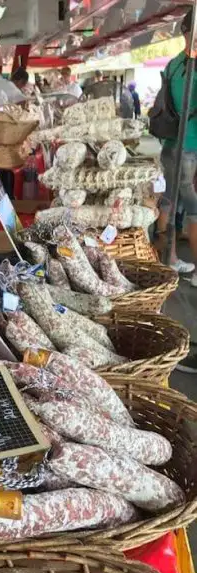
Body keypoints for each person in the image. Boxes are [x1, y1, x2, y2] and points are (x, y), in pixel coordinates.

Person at [156, 7, 197, 373]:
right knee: (194, 207)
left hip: (172, 144)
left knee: (169, 200)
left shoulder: (173, 66)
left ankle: (167, 256)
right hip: (191, 146)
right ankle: (189, 265)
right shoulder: (191, 67)